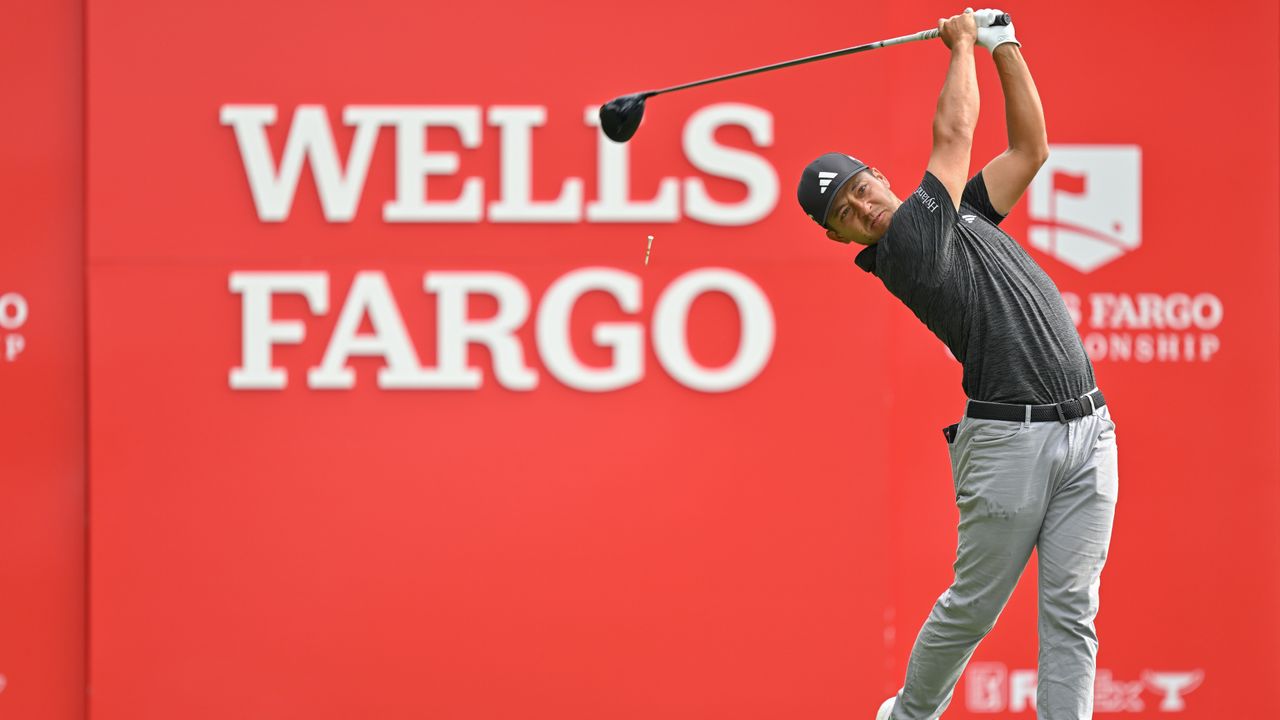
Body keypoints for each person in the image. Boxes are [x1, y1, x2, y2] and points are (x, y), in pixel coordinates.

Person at [795, 9, 1119, 720]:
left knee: (1073, 608)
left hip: (1089, 430)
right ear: (838, 236)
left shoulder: (961, 213)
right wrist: (964, 43)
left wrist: (1006, 47)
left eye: (862, 187)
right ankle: (909, 715)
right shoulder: (907, 246)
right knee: (973, 607)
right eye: (847, 213)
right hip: (1008, 441)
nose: (864, 206)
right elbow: (954, 134)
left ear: (878, 176)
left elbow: (1030, 150)